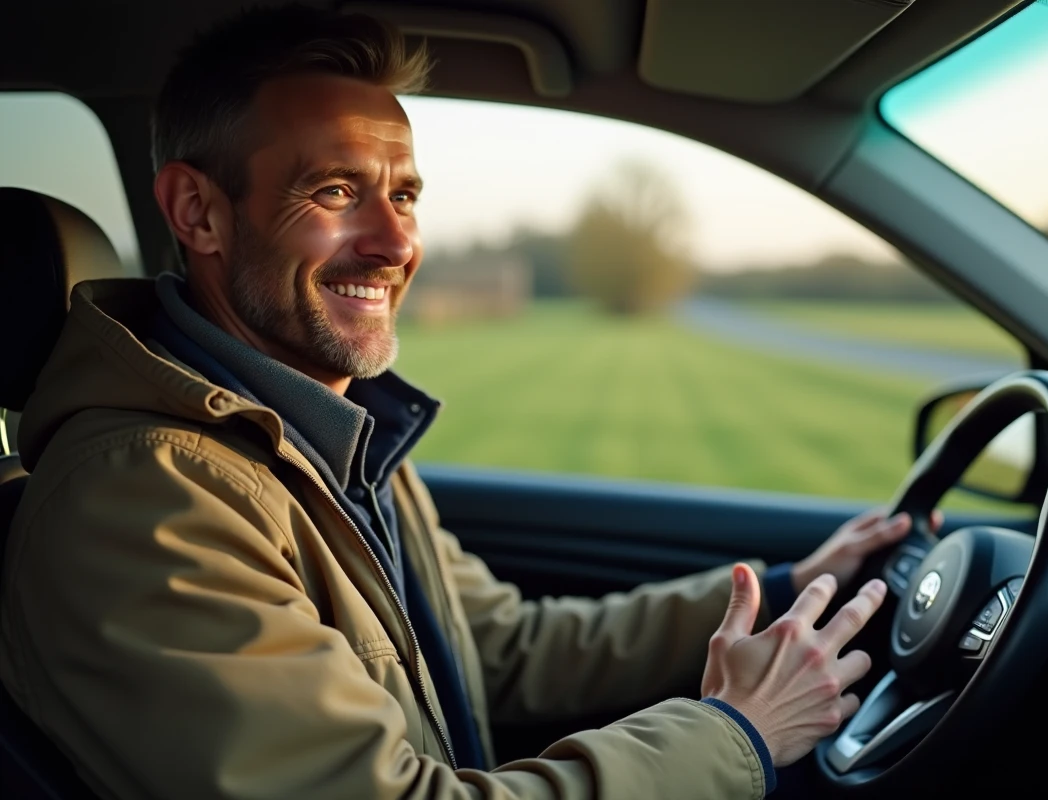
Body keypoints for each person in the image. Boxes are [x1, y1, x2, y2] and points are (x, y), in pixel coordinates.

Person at [0, 5, 932, 798]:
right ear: (199, 213)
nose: (394, 241)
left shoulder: (316, 432)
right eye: (335, 190)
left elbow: (503, 649)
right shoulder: (145, 500)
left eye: (404, 194)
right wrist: (739, 735)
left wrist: (786, 588)